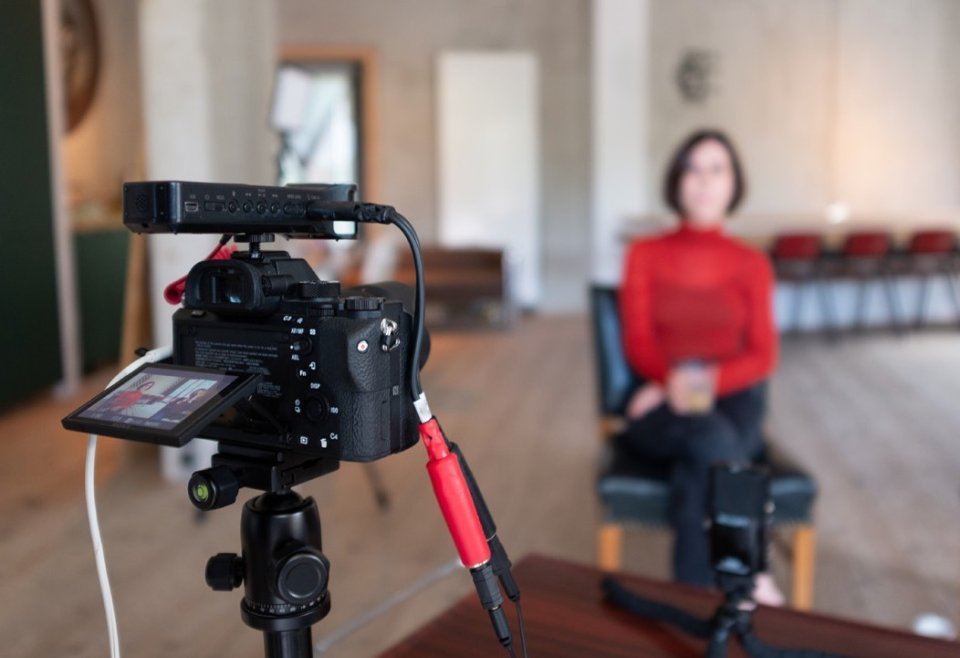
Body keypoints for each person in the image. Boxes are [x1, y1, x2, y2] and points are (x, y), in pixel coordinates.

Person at [617, 129, 783, 604]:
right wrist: (673, 388)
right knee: (713, 440)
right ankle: (750, 568)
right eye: (693, 168)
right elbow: (639, 343)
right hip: (659, 405)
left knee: (704, 466)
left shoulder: (751, 263)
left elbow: (762, 355)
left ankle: (694, 612)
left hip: (721, 398)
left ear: (734, 183)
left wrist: (686, 386)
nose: (704, 181)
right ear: (676, 181)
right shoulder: (644, 254)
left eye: (717, 169)